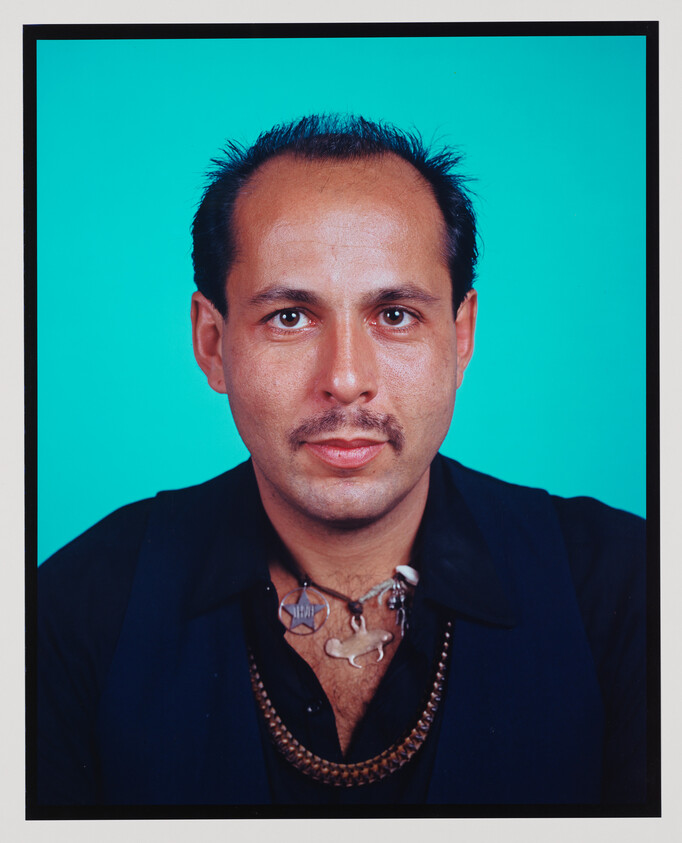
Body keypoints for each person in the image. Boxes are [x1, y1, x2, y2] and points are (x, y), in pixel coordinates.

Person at [37, 115, 646, 807]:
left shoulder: (630, 590)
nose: (347, 377)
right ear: (212, 342)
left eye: (394, 314)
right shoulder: (73, 611)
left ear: (462, 334)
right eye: (291, 316)